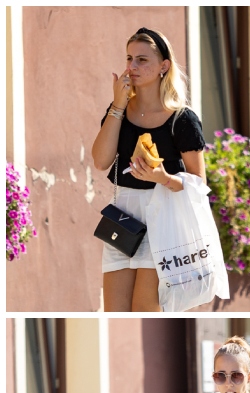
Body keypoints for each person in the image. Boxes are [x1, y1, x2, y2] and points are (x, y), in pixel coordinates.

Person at [90, 28, 206, 312]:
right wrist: (118, 104)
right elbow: (101, 161)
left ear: (163, 66)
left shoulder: (182, 119)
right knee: (114, 313)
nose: (132, 67)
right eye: (129, 58)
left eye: (142, 59)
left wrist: (163, 178)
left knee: (146, 310)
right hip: (123, 218)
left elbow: (198, 183)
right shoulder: (121, 109)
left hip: (163, 218)